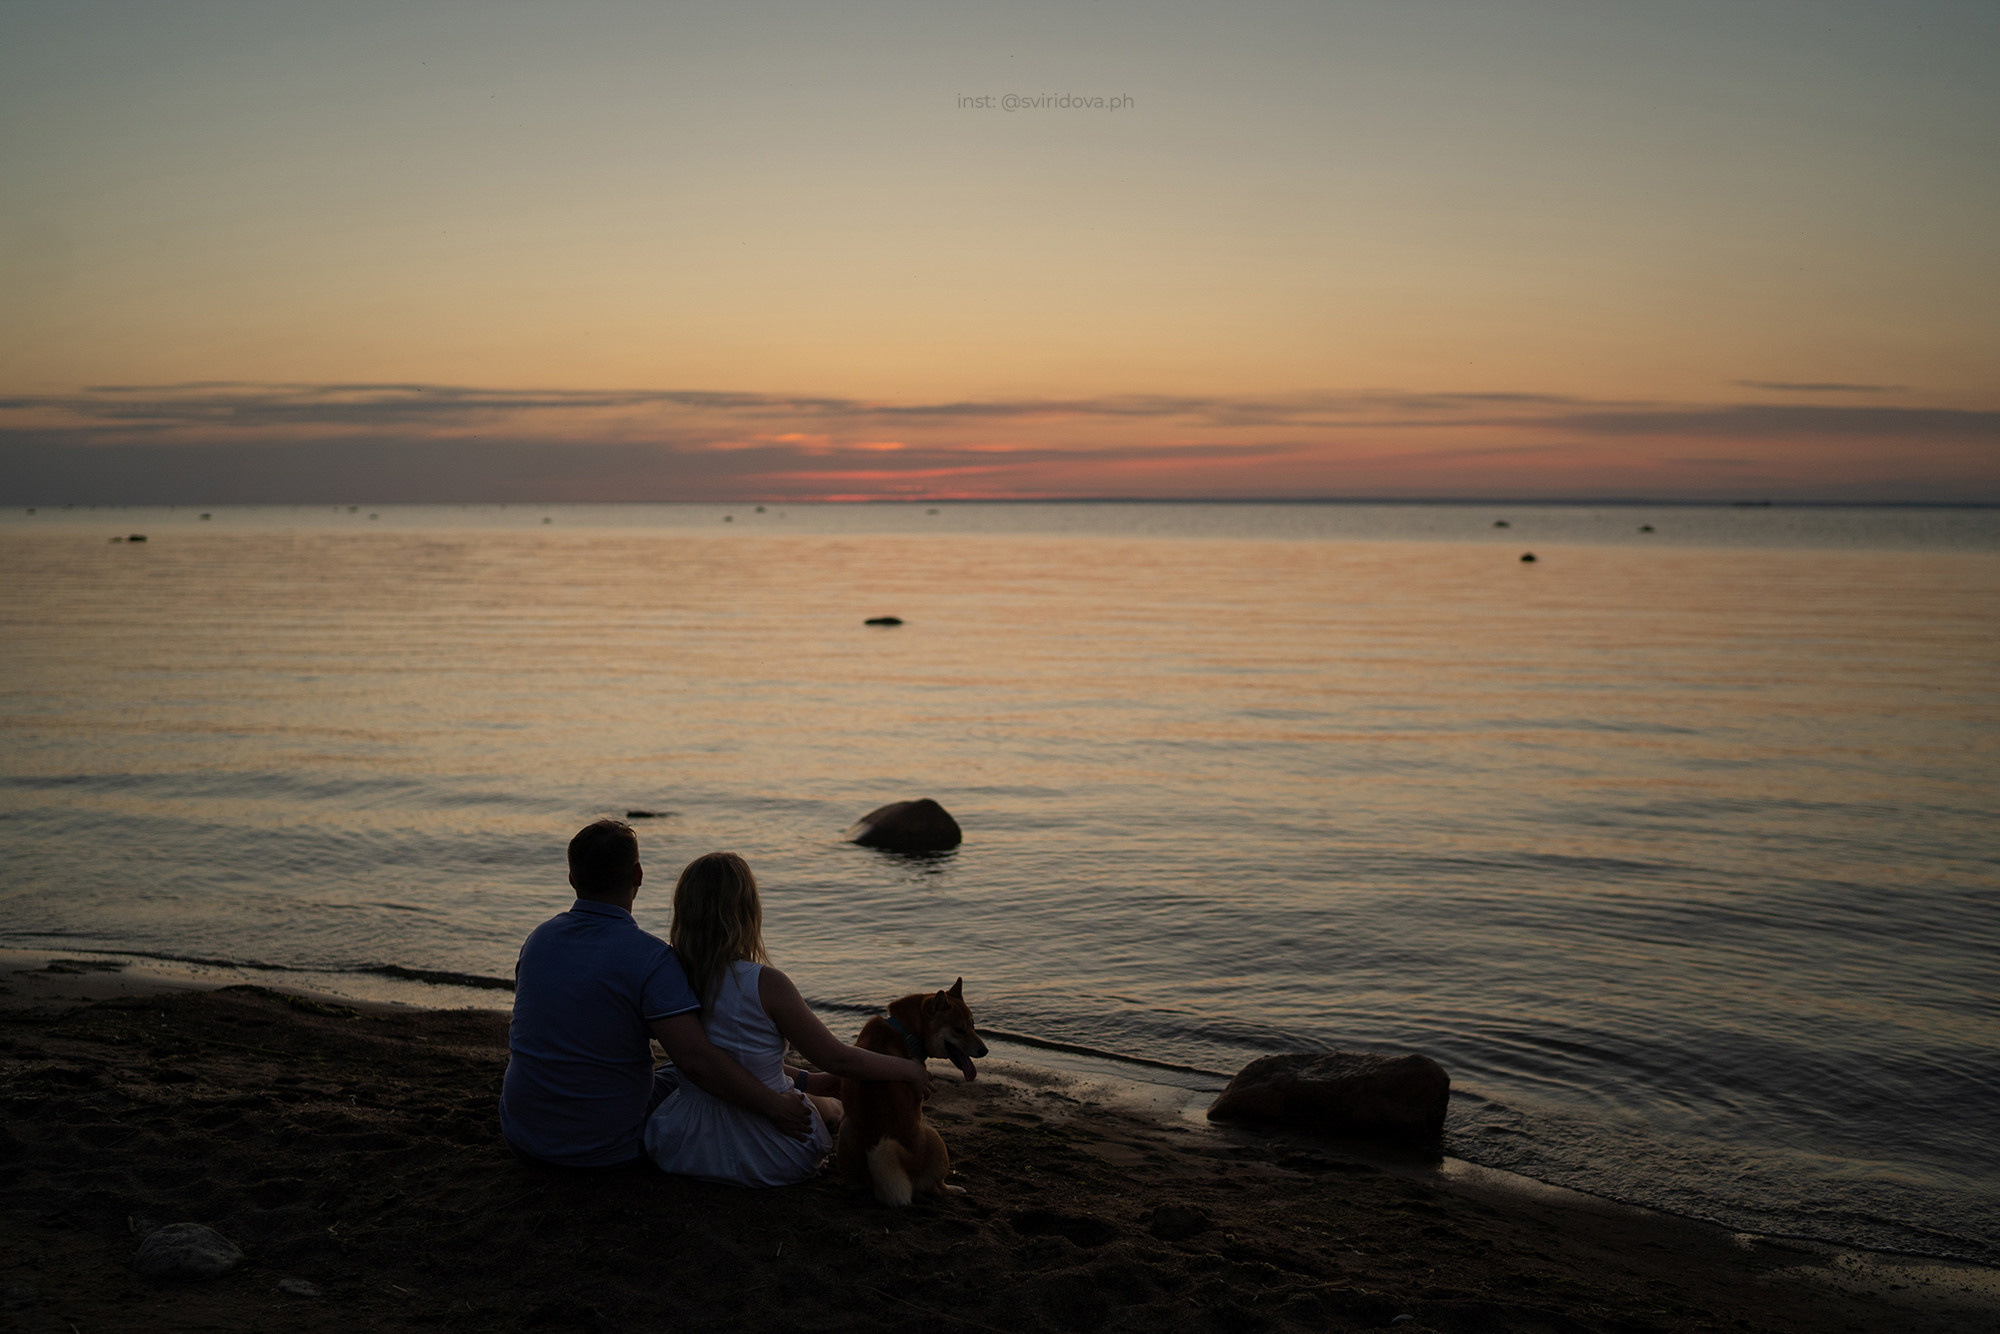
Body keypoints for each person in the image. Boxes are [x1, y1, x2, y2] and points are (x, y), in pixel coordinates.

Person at [499, 819, 815, 1167]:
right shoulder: (650, 958)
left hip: (522, 1134)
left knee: (669, 1073)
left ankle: (807, 1081)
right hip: (604, 1147)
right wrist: (775, 1106)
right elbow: (697, 1061)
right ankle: (804, 1089)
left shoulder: (538, 940)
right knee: (689, 1079)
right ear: (638, 875)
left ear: (572, 878)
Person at [645, 851, 932, 1186]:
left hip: (684, 1144)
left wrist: (807, 1079)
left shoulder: (668, 976)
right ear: (748, 911)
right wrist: (909, 1068)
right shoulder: (766, 983)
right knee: (832, 1110)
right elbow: (836, 1056)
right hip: (766, 1151)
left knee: (810, 1091)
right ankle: (817, 1094)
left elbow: (717, 1057)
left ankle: (809, 1085)